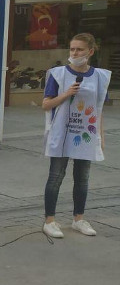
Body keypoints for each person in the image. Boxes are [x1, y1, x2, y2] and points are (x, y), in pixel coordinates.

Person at [41, 33, 111, 238]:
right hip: (62, 133)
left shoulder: (100, 77)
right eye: (72, 49)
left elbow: (98, 109)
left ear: (90, 51)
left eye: (79, 49)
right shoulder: (58, 74)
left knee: (82, 178)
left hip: (86, 134)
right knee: (56, 176)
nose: (75, 53)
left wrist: (100, 136)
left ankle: (78, 219)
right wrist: (66, 94)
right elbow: (46, 104)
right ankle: (49, 221)